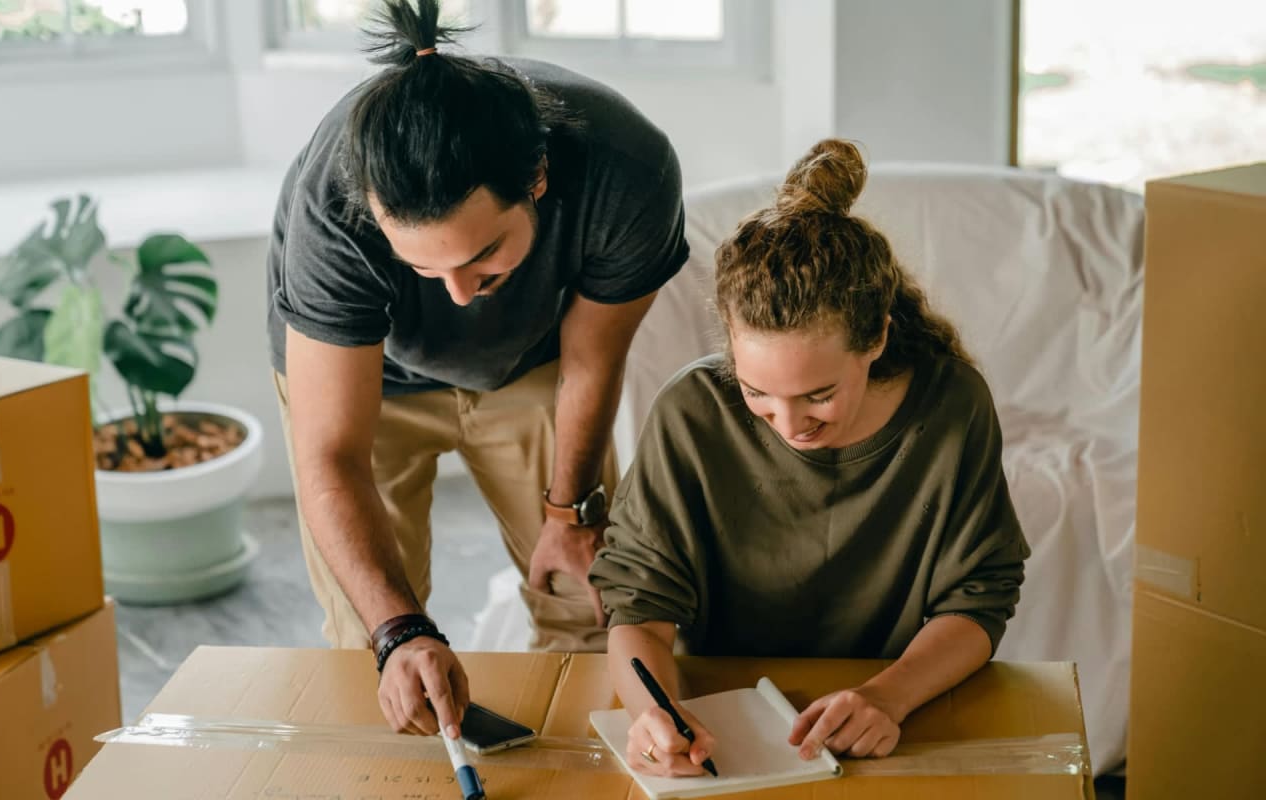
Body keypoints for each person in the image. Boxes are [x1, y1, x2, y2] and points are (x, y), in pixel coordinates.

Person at [266, 0, 688, 739]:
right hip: (364, 380)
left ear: (537, 180)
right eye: (421, 265)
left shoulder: (628, 168)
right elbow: (331, 455)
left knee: (585, 601)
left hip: (535, 364)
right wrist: (399, 631)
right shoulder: (330, 205)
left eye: (481, 255)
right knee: (374, 636)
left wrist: (568, 514)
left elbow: (593, 360)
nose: (457, 293)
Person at [589, 139, 1030, 777]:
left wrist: (889, 695)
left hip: (890, 717)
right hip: (721, 727)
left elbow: (979, 598)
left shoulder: (951, 405)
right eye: (756, 393)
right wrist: (651, 714)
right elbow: (640, 606)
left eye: (819, 396)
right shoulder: (691, 413)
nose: (790, 426)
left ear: (876, 334)